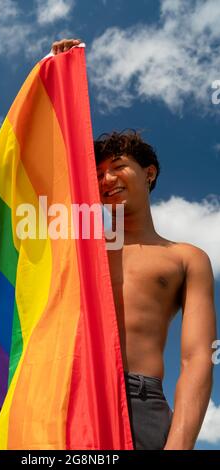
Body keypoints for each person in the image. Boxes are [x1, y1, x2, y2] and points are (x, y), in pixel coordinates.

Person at [51, 38, 217, 450]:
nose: (106, 180)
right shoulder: (81, 245)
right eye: (100, 174)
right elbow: (50, 163)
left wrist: (178, 445)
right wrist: (60, 76)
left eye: (119, 167)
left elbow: (197, 358)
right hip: (71, 395)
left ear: (150, 174)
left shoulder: (186, 257)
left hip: (142, 404)